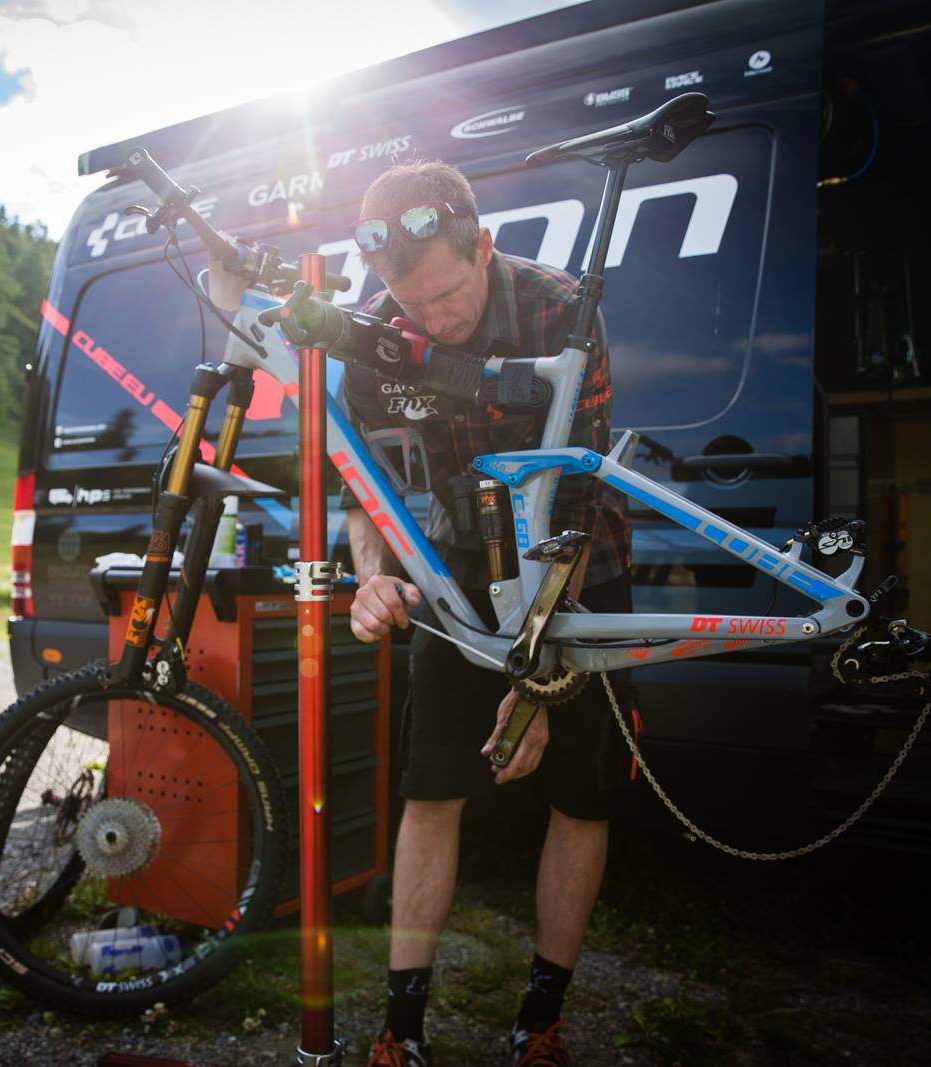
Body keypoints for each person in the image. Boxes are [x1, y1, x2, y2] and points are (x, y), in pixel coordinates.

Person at [340, 162, 633, 1067]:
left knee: (580, 803)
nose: (430, 322)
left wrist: (538, 678)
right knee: (430, 794)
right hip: (461, 569)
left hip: (578, 567)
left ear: (484, 246)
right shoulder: (384, 336)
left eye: (443, 295)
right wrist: (371, 576)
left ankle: (539, 1020)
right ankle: (403, 1027)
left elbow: (578, 507)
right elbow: (365, 482)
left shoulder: (562, 312)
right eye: (408, 303)